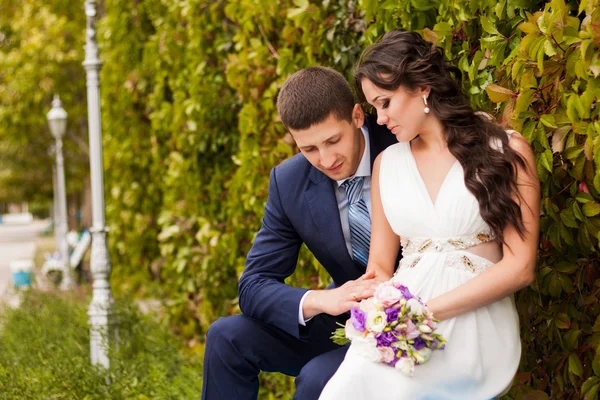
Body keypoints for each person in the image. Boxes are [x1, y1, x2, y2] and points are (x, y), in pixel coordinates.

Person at [319, 30, 540, 400]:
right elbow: (381, 269)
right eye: (374, 107)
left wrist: (424, 312)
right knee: (343, 389)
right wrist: (374, 314)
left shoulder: (504, 149)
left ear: (422, 86)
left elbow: (521, 267)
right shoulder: (386, 165)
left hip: (471, 325)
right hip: (402, 327)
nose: (381, 118)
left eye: (385, 102)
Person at [201, 66, 398, 399]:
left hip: (415, 316)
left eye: (333, 140)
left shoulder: (400, 147)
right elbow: (253, 285)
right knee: (226, 337)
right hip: (343, 319)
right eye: (308, 149)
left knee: (316, 379)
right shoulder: (289, 181)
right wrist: (322, 299)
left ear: (355, 116)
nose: (326, 159)